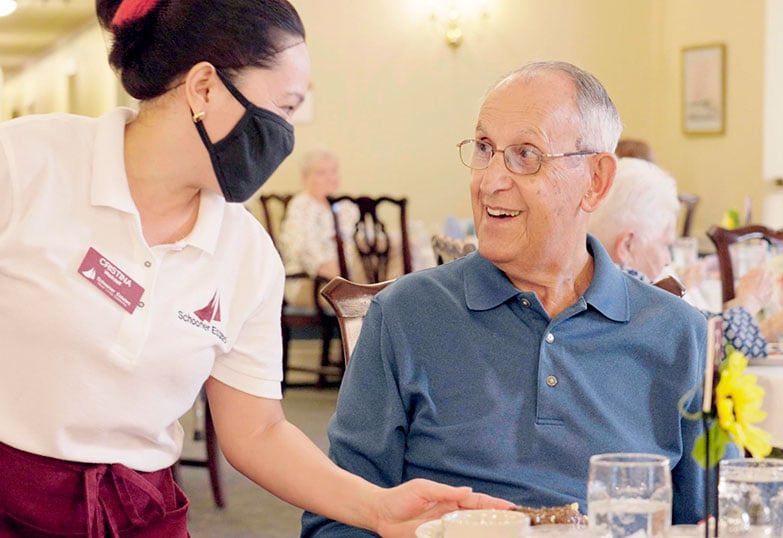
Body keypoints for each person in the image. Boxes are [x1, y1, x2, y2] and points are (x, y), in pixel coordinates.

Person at [0, 1, 513, 535]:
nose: (287, 136)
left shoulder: (245, 253)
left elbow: (258, 432)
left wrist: (379, 509)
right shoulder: (26, 164)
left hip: (136, 513)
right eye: (285, 108)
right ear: (204, 88)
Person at [301, 61, 725, 537]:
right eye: (484, 149)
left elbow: (711, 525)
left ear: (596, 181)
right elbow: (335, 524)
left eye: (526, 154)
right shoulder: (405, 315)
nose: (490, 181)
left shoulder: (682, 335)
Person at [588, 157, 783, 358]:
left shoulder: (597, 281)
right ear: (627, 246)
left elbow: (699, 325)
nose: (667, 260)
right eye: (664, 245)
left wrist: (771, 323)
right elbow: (710, 350)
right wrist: (748, 301)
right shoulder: (627, 300)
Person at [278, 147, 360, 308]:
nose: (331, 178)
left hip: (343, 279)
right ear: (306, 177)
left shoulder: (342, 206)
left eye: (334, 171)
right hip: (310, 282)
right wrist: (344, 279)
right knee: (373, 300)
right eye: (321, 173)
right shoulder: (302, 206)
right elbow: (303, 249)